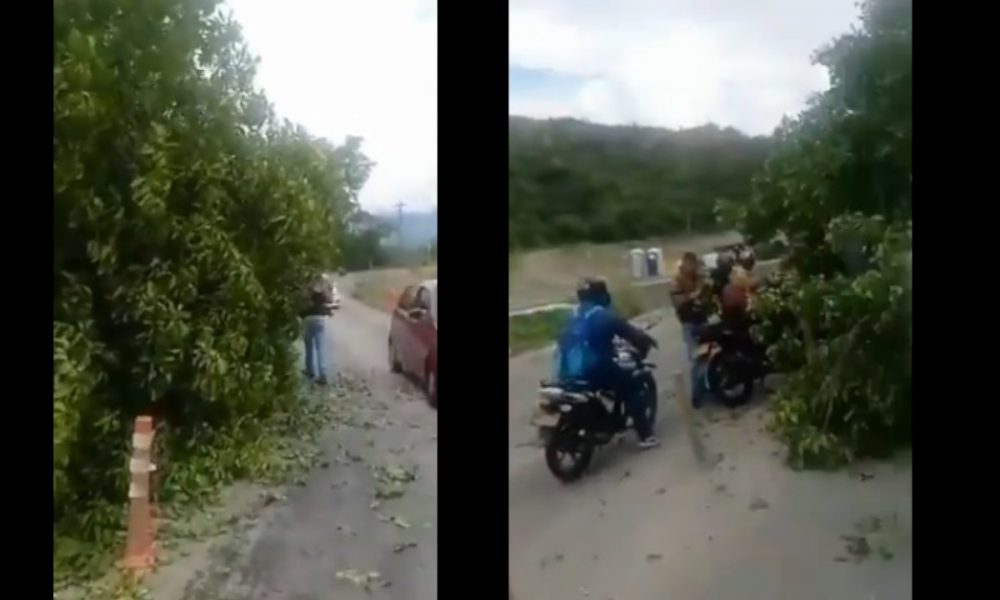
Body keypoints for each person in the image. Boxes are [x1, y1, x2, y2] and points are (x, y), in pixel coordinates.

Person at [554, 277, 661, 449]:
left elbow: (560, 339)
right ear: (601, 294)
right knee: (631, 385)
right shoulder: (604, 315)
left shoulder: (570, 314)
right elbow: (633, 335)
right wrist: (646, 341)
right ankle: (645, 436)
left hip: (565, 372)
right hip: (595, 370)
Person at [300, 274, 335, 385]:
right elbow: (328, 302)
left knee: (309, 347)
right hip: (320, 319)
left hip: (307, 318)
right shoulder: (321, 290)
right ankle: (323, 374)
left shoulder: (305, 291)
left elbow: (301, 306)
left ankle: (310, 371)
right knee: (321, 348)